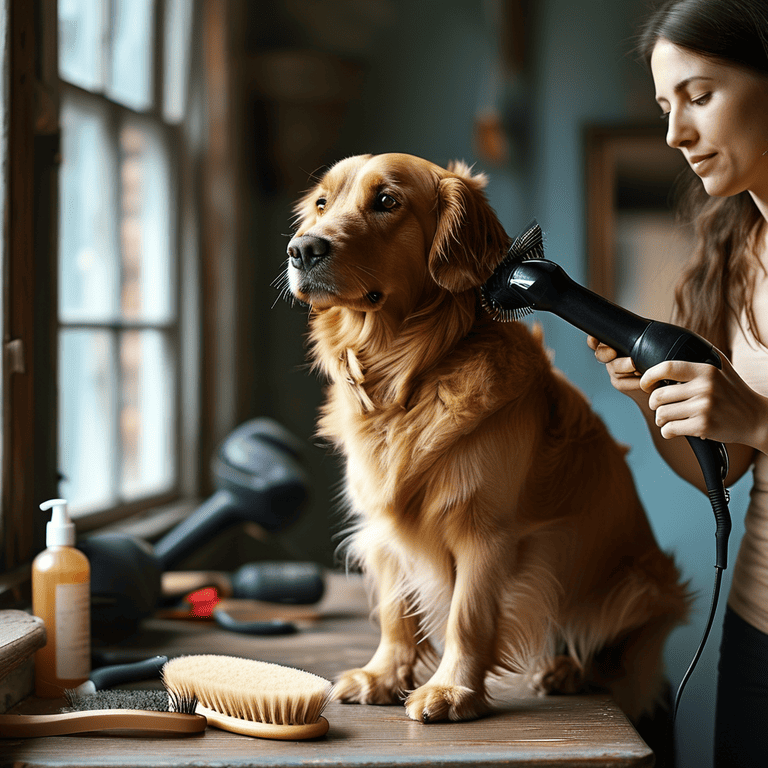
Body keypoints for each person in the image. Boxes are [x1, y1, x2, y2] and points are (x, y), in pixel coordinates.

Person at [587, 0, 768, 765]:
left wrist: (758, 418)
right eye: (666, 107)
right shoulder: (738, 254)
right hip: (758, 626)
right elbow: (726, 470)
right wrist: (653, 402)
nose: (675, 134)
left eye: (699, 96)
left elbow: (756, 430)